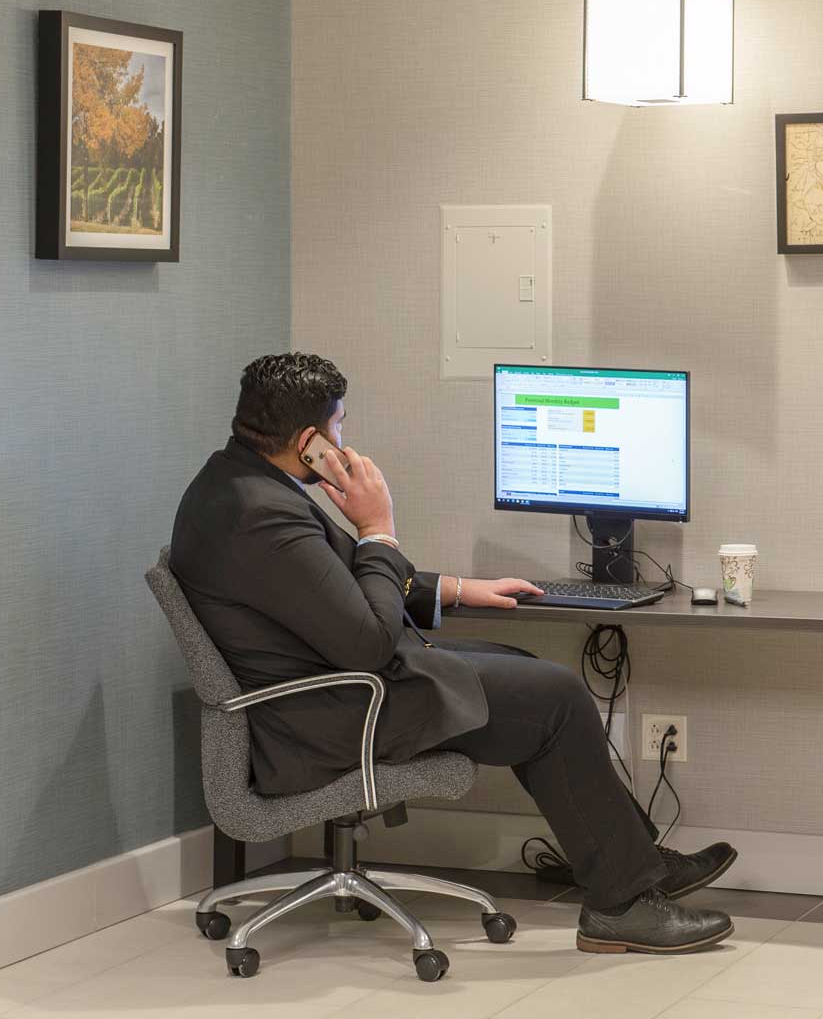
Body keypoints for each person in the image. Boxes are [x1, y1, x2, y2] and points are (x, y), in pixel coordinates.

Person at [170, 352, 736, 955]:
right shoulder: (261, 514)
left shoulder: (235, 481)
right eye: (339, 427)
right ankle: (620, 905)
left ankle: (633, 860)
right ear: (309, 441)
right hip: (332, 713)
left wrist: (458, 589)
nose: (344, 440)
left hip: (336, 686)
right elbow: (365, 640)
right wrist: (379, 528)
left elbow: (332, 586)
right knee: (558, 698)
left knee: (525, 669)